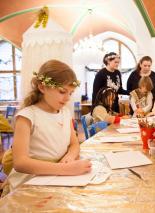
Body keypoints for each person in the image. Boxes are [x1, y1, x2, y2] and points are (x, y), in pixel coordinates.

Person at [7, 60, 92, 191]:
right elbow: (20, 163)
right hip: (30, 182)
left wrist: (70, 156)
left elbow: (74, 144)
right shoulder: (27, 117)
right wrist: (65, 169)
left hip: (58, 177)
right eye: (62, 91)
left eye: (70, 93)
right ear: (42, 87)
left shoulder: (65, 112)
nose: (68, 98)